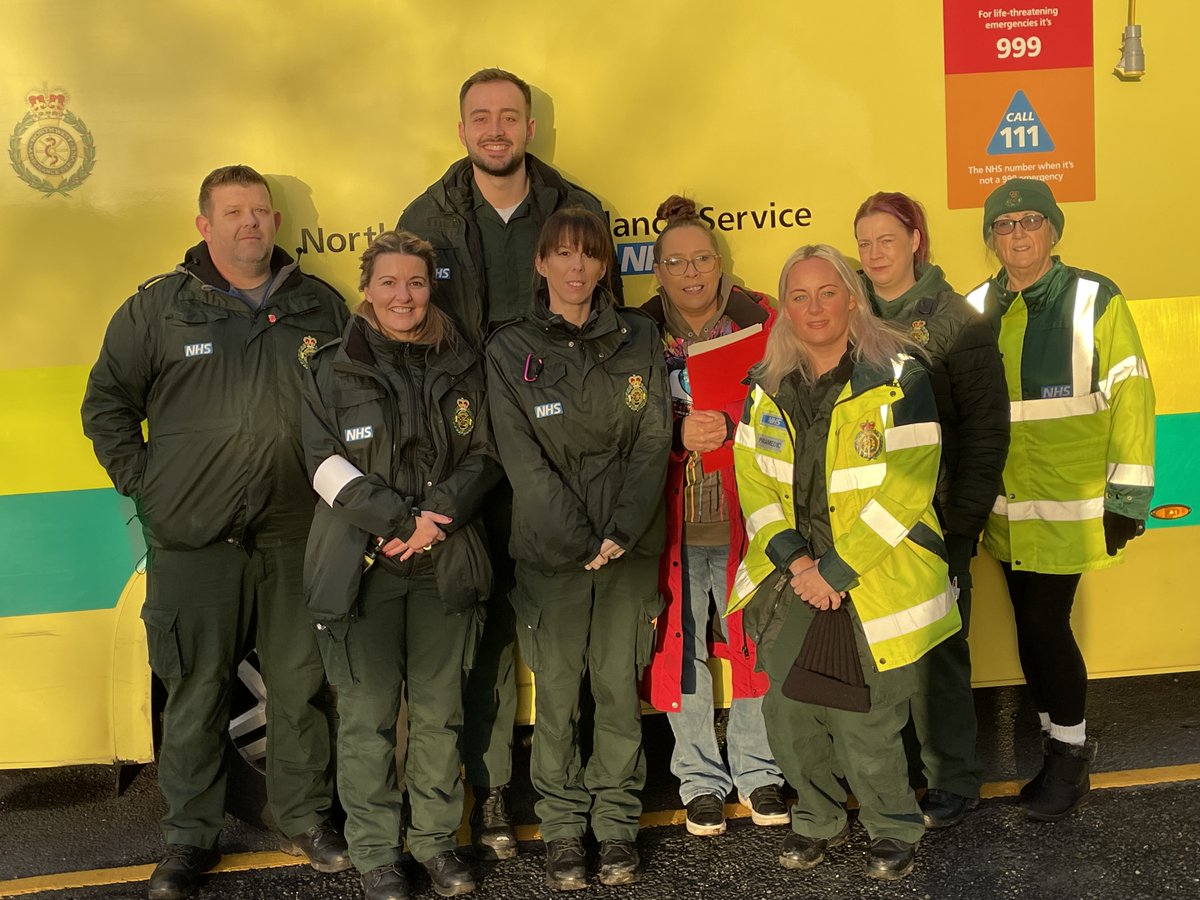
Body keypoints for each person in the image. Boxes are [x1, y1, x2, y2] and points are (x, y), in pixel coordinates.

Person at [81, 165, 351, 900]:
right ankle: (189, 841)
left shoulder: (318, 306)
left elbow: (357, 404)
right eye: (233, 212)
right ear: (205, 224)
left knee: (300, 686)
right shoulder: (159, 311)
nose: (250, 224)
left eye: (261, 211)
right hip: (195, 542)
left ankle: (305, 818)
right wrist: (150, 487)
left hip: (297, 535)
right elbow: (106, 405)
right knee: (195, 693)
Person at [398, 68, 623, 859]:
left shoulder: (577, 211)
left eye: (510, 116)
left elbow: (610, 334)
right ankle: (491, 791)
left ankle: (593, 801)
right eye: (480, 117)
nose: (495, 130)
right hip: (470, 459)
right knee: (484, 633)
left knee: (579, 635)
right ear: (462, 130)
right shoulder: (425, 217)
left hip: (560, 463)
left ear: (530, 128)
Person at [728, 244, 961, 882]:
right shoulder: (766, 386)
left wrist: (835, 570)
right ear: (784, 312)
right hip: (791, 579)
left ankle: (892, 829)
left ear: (852, 298)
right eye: (798, 296)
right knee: (791, 712)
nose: (814, 308)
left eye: (827, 292)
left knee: (867, 717)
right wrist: (797, 562)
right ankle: (817, 821)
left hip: (871, 575)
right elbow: (755, 484)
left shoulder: (899, 375)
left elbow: (909, 487)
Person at [302, 231, 500, 900]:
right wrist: (397, 522)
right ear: (367, 289)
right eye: (389, 282)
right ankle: (378, 854)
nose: (403, 295)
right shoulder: (330, 367)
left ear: (429, 287)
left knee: (441, 715)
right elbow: (323, 464)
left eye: (415, 282)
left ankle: (439, 844)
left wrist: (433, 518)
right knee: (368, 717)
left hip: (445, 560)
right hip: (364, 566)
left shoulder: (465, 362)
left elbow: (488, 454)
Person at [485, 208, 670, 890]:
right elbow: (521, 458)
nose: (574, 268)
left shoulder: (639, 336)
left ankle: (617, 824)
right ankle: (563, 828)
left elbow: (654, 438)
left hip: (629, 546)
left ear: (603, 267)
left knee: (618, 691)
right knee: (559, 696)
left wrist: (620, 531)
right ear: (541, 264)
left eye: (587, 256)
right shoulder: (509, 350)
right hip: (550, 553)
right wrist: (578, 539)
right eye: (561, 255)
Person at [965, 179, 1155, 821]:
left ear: (1053, 230)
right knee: (1029, 625)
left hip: (1069, 504)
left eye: (1029, 222)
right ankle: (1057, 744)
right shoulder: (974, 306)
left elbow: (1132, 392)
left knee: (1046, 625)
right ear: (991, 237)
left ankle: (1070, 758)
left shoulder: (1094, 296)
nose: (1016, 234)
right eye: (1004, 224)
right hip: (1003, 507)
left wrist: (1128, 494)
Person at [853, 191, 1009, 828]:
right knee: (877, 655)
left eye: (886, 239)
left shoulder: (954, 319)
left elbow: (986, 431)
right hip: (863, 523)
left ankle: (953, 777)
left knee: (940, 654)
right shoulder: (847, 309)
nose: (874, 253)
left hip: (936, 521)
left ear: (916, 239)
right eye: (863, 243)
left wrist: (964, 526)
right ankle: (898, 775)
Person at [638, 195, 788, 836]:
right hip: (676, 517)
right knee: (685, 646)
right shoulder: (637, 331)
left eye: (703, 258)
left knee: (753, 640)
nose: (692, 272)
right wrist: (673, 433)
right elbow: (619, 419)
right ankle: (699, 779)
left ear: (721, 263)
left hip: (747, 510)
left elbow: (796, 403)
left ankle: (759, 773)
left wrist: (731, 425)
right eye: (677, 262)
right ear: (659, 270)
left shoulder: (764, 319)